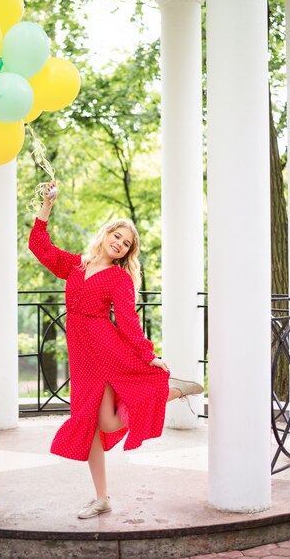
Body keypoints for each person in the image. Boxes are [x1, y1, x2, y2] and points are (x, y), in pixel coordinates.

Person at [28, 181, 203, 519]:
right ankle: (102, 498)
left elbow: (127, 321)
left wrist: (148, 354)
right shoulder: (76, 265)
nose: (120, 244)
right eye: (117, 236)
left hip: (108, 350)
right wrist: (46, 206)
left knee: (105, 425)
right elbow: (40, 247)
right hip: (81, 355)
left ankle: (173, 389)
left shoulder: (120, 279)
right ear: (106, 234)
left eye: (126, 244)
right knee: (96, 424)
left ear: (128, 251)